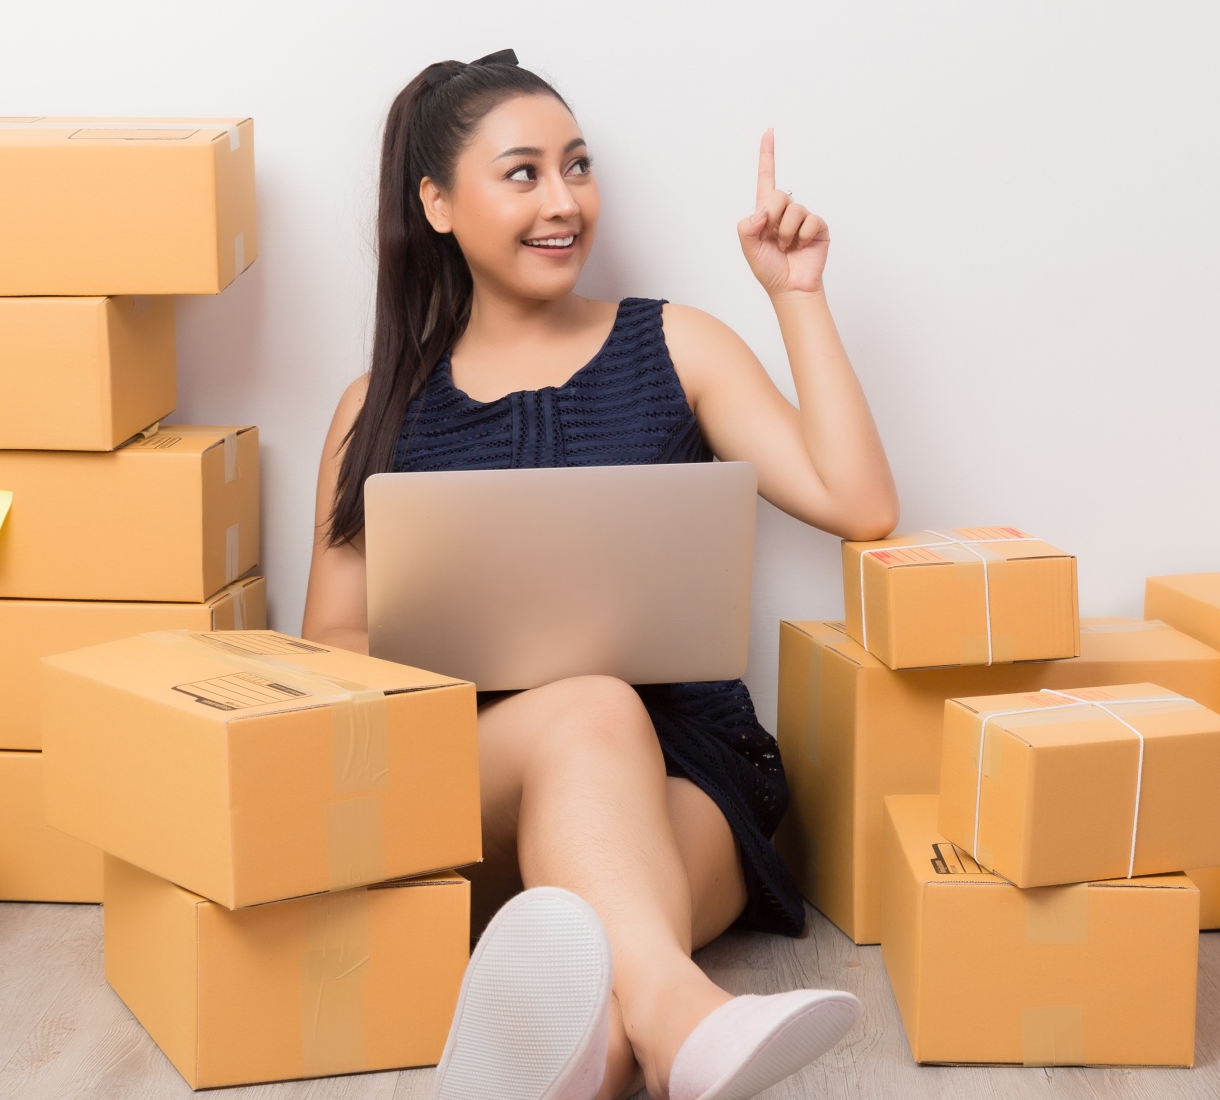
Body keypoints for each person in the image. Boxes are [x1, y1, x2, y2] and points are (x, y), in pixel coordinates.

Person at [301, 49, 898, 1100]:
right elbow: (326, 649)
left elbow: (859, 504)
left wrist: (795, 294)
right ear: (437, 203)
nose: (564, 200)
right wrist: (480, 654)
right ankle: (690, 1024)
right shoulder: (376, 407)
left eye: (577, 167)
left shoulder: (678, 344)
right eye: (523, 173)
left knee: (605, 962)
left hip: (689, 772)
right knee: (584, 707)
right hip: (478, 773)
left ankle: (629, 1042)